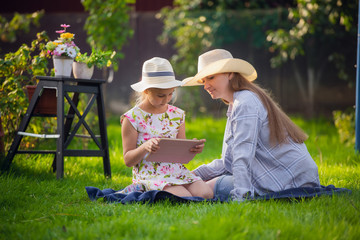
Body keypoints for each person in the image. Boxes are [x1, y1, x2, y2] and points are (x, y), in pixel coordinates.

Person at [182, 49, 320, 201]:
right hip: (292, 177)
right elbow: (227, 162)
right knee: (197, 183)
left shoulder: (245, 103)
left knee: (202, 190)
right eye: (203, 81)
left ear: (230, 73)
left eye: (211, 77)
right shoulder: (238, 103)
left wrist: (241, 196)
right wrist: (192, 174)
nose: (206, 85)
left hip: (288, 181)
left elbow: (242, 156)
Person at [120, 57, 213, 199]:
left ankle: (174, 188)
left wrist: (191, 148)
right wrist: (145, 146)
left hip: (177, 171)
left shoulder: (177, 115)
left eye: (171, 93)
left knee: (206, 194)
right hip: (150, 174)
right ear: (146, 91)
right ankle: (142, 188)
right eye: (161, 95)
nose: (167, 99)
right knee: (183, 197)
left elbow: (180, 156)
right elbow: (128, 160)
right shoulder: (132, 118)